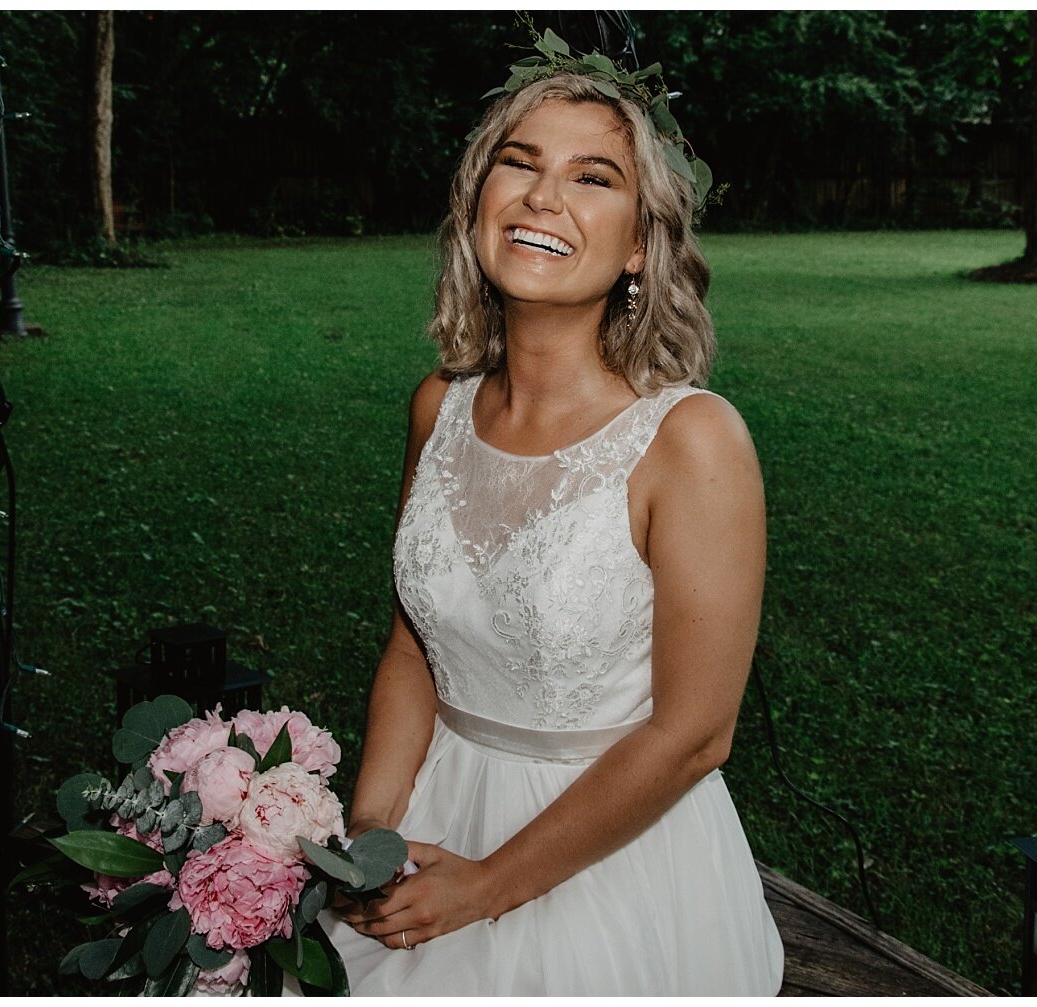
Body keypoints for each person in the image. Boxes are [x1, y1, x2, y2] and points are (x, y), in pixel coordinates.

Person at [323, 70, 784, 995]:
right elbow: (419, 638)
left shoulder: (691, 440)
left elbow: (696, 734)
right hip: (435, 803)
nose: (543, 196)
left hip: (611, 850)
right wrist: (372, 826)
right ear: (476, 202)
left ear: (642, 248)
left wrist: (490, 886)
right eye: (520, 163)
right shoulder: (437, 408)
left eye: (593, 177)